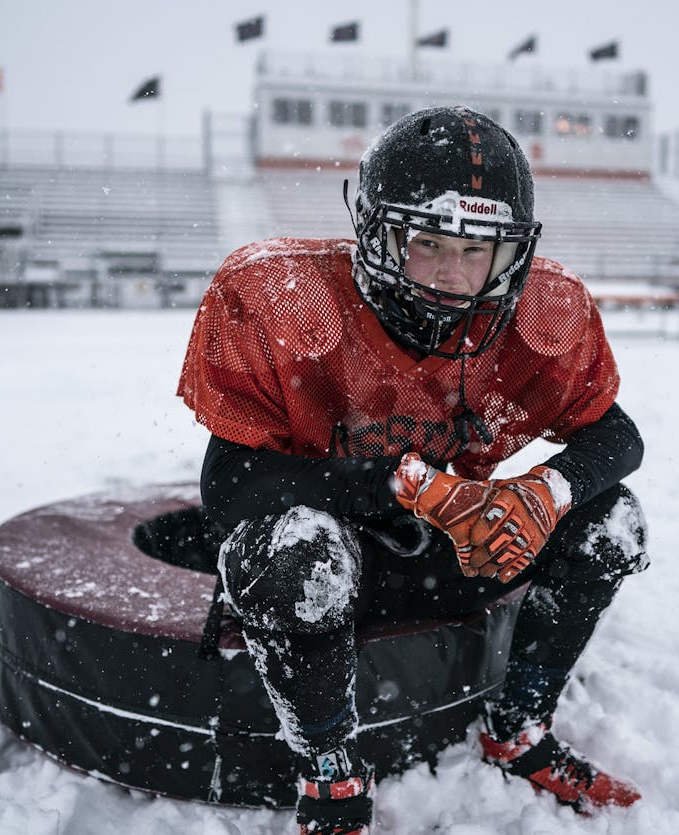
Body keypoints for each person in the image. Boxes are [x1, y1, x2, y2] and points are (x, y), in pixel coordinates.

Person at [178, 106, 649, 834]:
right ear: (375, 232)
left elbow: (617, 437)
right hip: (339, 555)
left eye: (480, 251)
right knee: (293, 549)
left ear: (513, 254)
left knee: (611, 520)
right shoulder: (281, 296)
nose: (455, 277)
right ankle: (330, 769)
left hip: (450, 551)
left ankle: (518, 723)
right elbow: (231, 484)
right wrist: (403, 487)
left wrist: (542, 492)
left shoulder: (543, 311)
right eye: (429, 243)